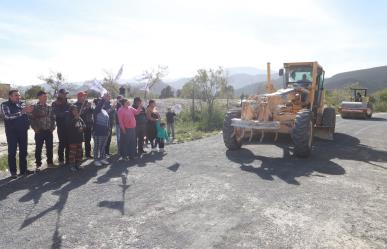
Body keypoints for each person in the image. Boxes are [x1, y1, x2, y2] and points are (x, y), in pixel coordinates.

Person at [0, 90, 34, 178]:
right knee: (12, 152)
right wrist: (22, 112)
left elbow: (27, 115)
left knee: (24, 151)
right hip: (12, 132)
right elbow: (7, 116)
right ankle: (13, 172)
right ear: (10, 96)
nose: (18, 97)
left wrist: (29, 112)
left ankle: (24, 170)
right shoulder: (5, 105)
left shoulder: (22, 104)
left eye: (19, 95)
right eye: (16, 95)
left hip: (23, 131)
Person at [30, 90, 56, 171]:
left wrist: (52, 128)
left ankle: (50, 163)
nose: (46, 98)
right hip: (39, 131)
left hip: (48, 131)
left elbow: (53, 118)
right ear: (39, 97)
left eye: (46, 96)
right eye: (44, 96)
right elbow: (31, 119)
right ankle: (38, 164)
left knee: (50, 147)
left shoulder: (49, 107)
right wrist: (35, 128)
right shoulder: (34, 107)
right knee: (38, 148)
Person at [52, 88, 70, 165]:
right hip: (61, 125)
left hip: (68, 126)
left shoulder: (67, 102)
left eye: (65, 94)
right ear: (59, 94)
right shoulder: (55, 103)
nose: (65, 95)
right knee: (62, 143)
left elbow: (71, 112)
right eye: (63, 93)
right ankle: (61, 160)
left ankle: (68, 159)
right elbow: (57, 114)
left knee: (68, 143)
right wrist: (67, 112)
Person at [65, 105, 86, 172]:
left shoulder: (79, 117)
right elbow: (68, 126)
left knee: (79, 152)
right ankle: (72, 166)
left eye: (76, 110)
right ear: (71, 111)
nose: (75, 111)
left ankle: (78, 164)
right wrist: (75, 119)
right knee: (72, 153)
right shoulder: (69, 117)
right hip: (72, 138)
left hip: (79, 138)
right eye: (74, 110)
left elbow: (84, 125)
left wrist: (82, 128)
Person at [75, 91, 93, 159]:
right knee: (80, 141)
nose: (85, 97)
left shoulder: (87, 103)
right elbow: (79, 114)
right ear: (79, 97)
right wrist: (86, 108)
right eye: (83, 96)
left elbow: (92, 112)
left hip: (88, 125)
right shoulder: (76, 105)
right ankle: (80, 155)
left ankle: (88, 154)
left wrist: (90, 107)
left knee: (88, 140)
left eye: (85, 96)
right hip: (80, 125)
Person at [93, 98, 110, 166]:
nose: (103, 104)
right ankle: (96, 159)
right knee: (97, 146)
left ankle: (102, 158)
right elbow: (99, 106)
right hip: (97, 131)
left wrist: (108, 129)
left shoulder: (104, 111)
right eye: (101, 103)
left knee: (103, 146)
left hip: (105, 131)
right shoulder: (96, 110)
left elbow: (107, 121)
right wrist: (103, 99)